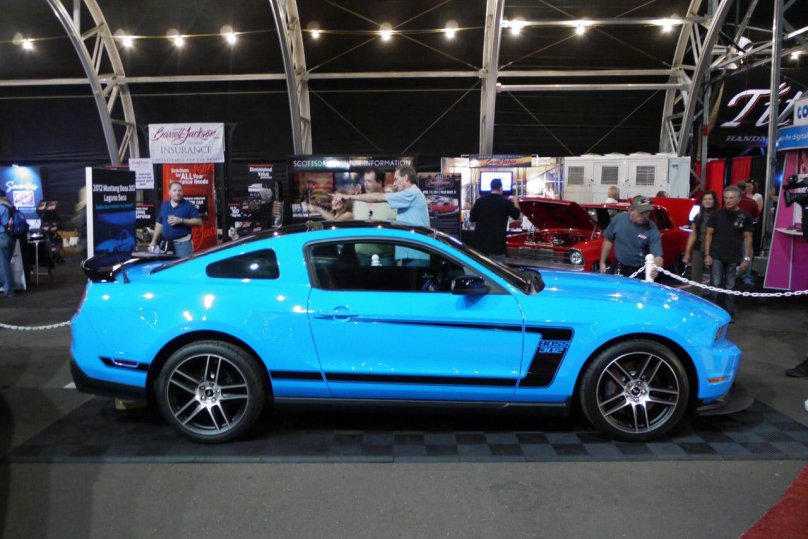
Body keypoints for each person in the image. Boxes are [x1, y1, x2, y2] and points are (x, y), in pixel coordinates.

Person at [333, 166, 429, 266]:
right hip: (411, 253)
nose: (394, 184)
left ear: (405, 178)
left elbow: (378, 197)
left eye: (396, 179)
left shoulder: (411, 193)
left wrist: (349, 196)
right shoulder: (411, 195)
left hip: (415, 254)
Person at [703, 185, 753, 319]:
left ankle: (729, 313)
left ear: (738, 199)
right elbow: (708, 235)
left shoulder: (745, 216)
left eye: (731, 198)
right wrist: (707, 254)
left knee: (730, 286)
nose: (728, 201)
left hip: (734, 256)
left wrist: (746, 258)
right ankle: (713, 314)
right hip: (716, 255)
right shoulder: (716, 215)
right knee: (716, 285)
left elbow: (748, 238)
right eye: (725, 198)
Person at [599, 195, 664, 278]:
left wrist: (656, 268)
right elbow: (608, 240)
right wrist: (602, 262)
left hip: (640, 271)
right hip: (620, 267)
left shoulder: (652, 228)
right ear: (631, 210)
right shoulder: (618, 219)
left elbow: (658, 257)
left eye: (647, 213)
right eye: (641, 213)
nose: (645, 216)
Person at [469, 177, 521, 263]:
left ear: (491, 187)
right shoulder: (506, 203)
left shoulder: (480, 201)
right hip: (497, 246)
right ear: (501, 188)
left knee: (481, 270)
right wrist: (515, 201)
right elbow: (516, 215)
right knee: (497, 272)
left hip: (480, 245)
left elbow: (472, 218)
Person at [149, 182, 202, 258]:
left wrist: (181, 220)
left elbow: (199, 222)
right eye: (175, 190)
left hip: (183, 245)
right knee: (165, 268)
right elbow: (159, 223)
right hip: (165, 244)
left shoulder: (189, 206)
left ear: (182, 192)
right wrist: (154, 241)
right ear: (169, 192)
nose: (177, 192)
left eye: (180, 190)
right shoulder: (164, 205)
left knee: (183, 268)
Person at [683, 190, 718, 290]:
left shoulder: (719, 216)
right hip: (698, 249)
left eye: (710, 199)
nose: (707, 201)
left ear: (714, 201)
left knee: (716, 280)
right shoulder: (698, 216)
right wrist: (687, 252)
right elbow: (693, 235)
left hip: (715, 251)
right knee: (696, 279)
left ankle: (714, 302)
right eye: (705, 199)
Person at [0, 191, 16, 297]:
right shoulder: (10, 206)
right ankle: (7, 286)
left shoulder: (1, 207)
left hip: (1, 237)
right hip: (10, 237)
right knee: (5, 263)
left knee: (4, 265)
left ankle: (9, 289)